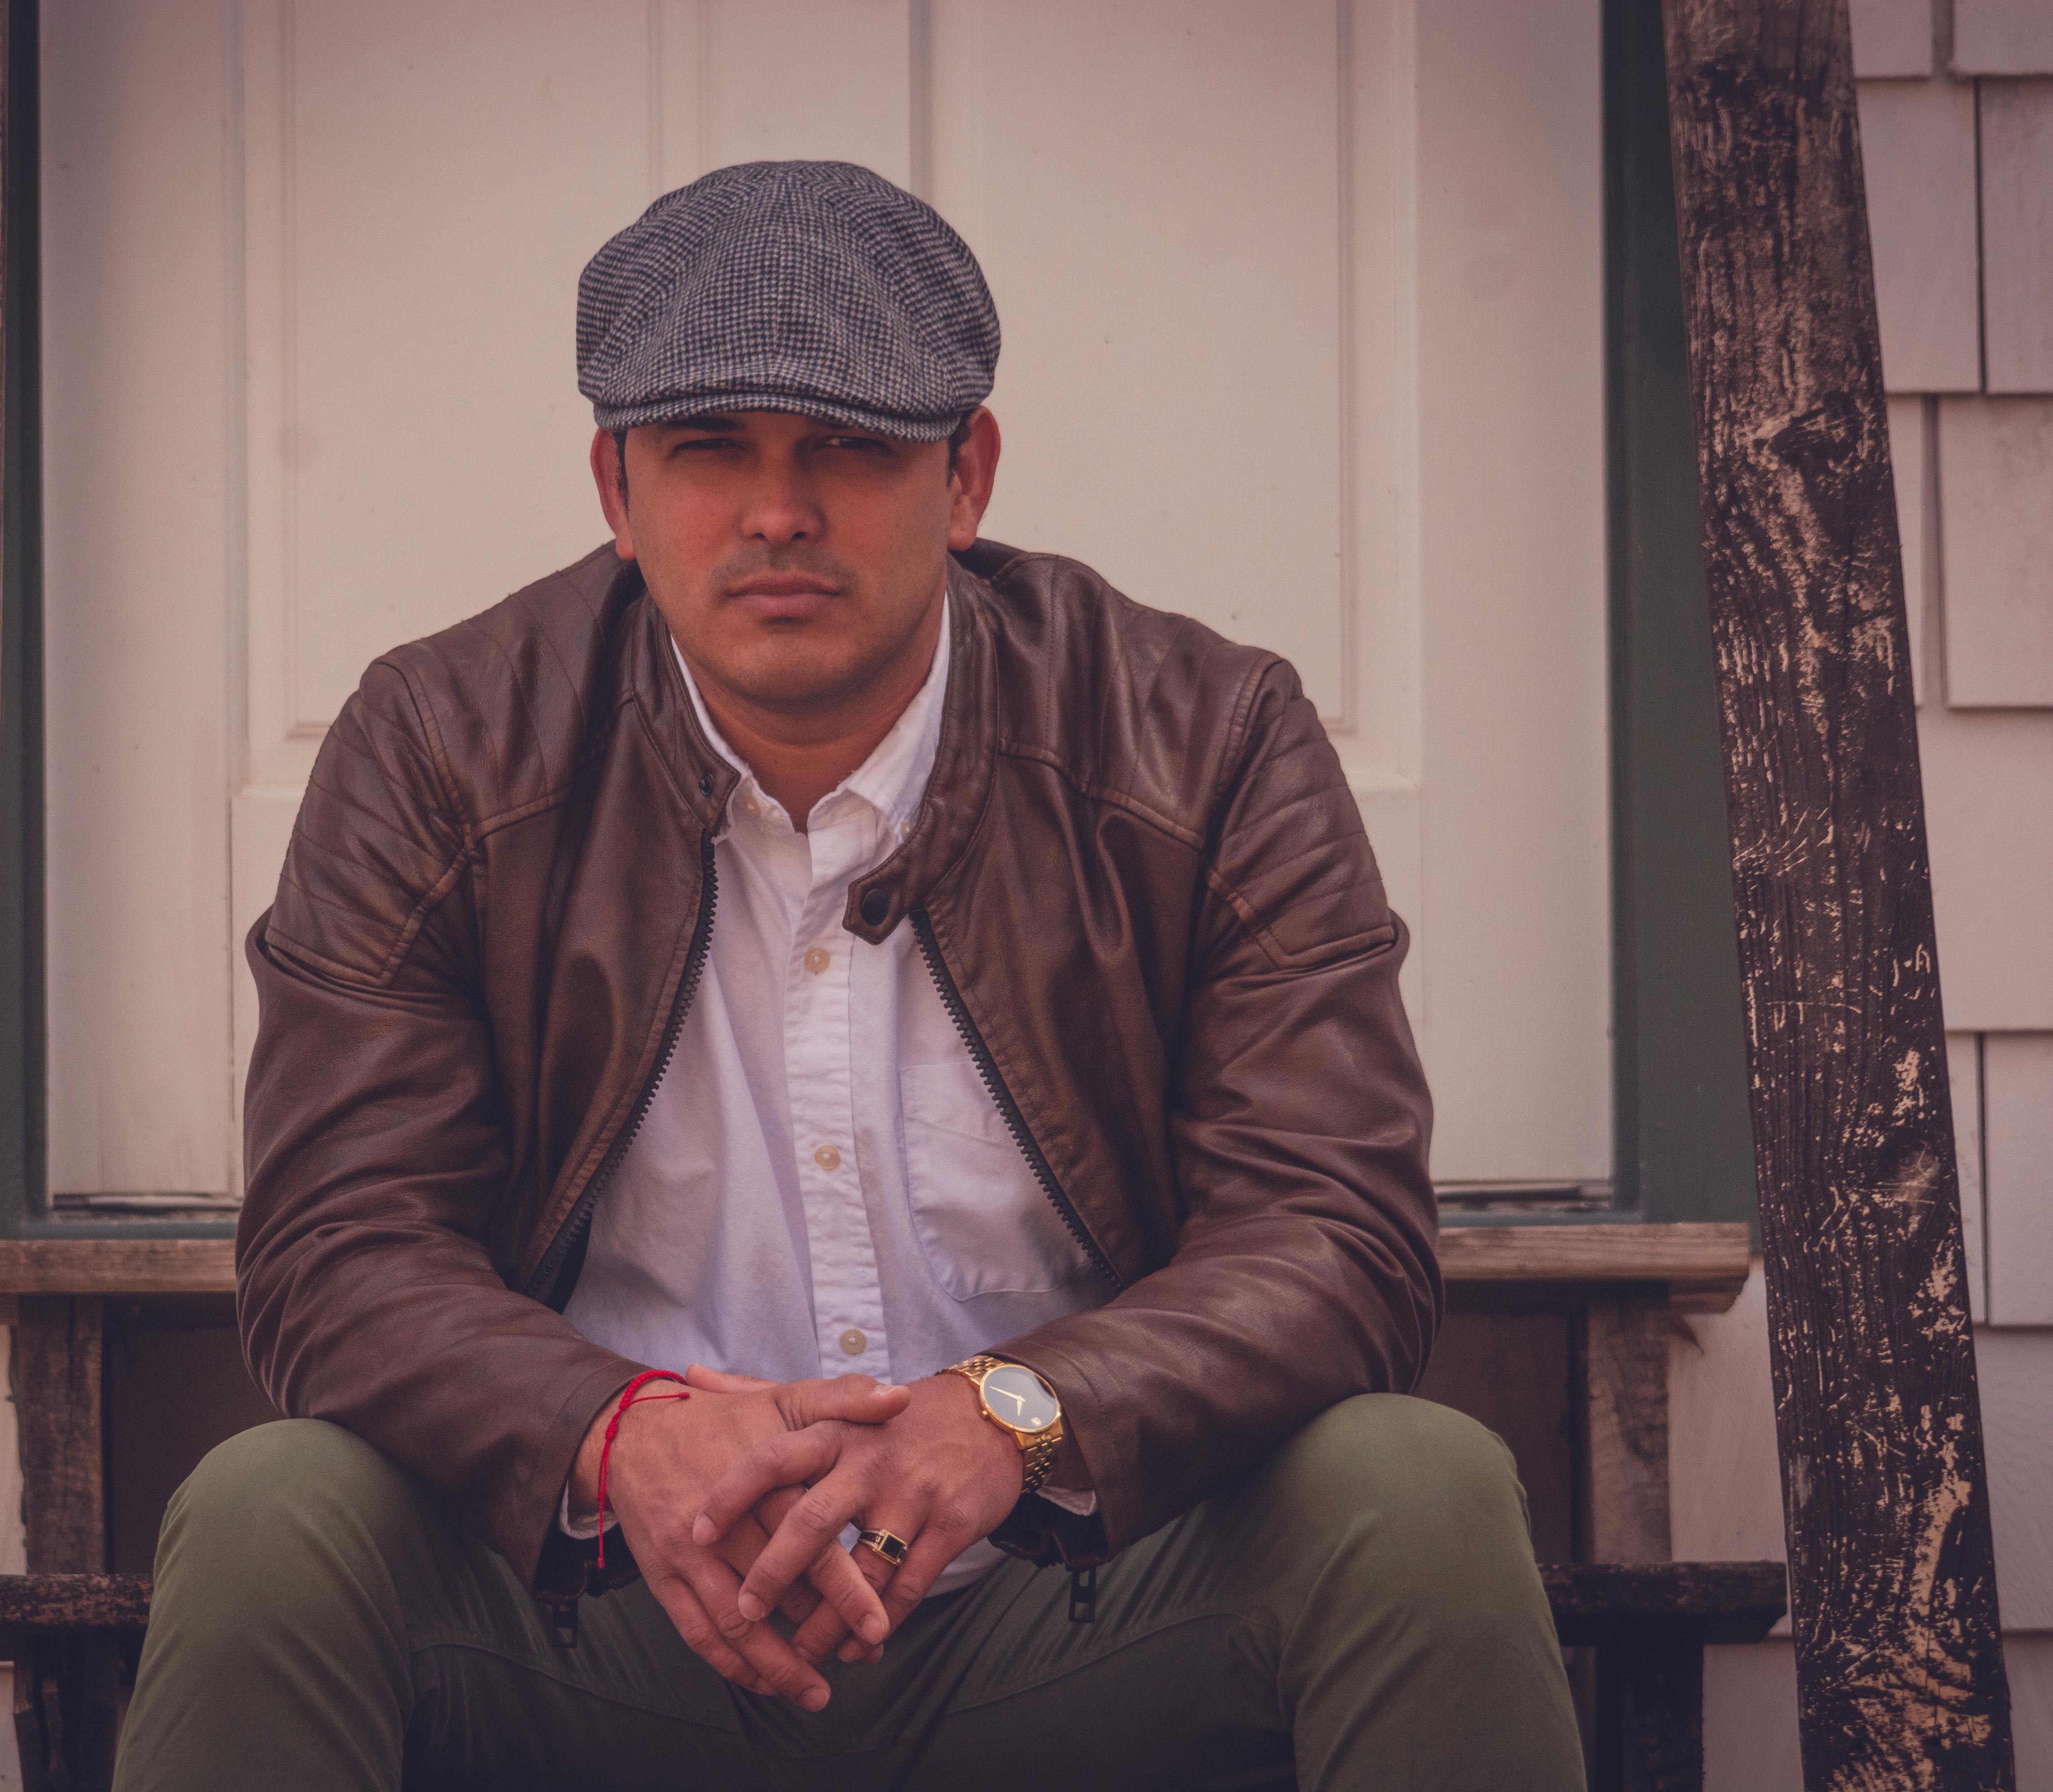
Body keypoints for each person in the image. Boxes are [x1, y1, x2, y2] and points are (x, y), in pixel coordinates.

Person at [114, 159, 1584, 1791]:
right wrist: (616, 1430)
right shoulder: (441, 747)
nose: (778, 513)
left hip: (1078, 1608)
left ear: (967, 477)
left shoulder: (1206, 737)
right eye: (708, 449)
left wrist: (1015, 1414)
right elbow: (339, 1246)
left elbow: (1336, 1230)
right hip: (604, 1621)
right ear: (614, 490)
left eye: (851, 447)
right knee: (268, 1514)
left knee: (1416, 1490)